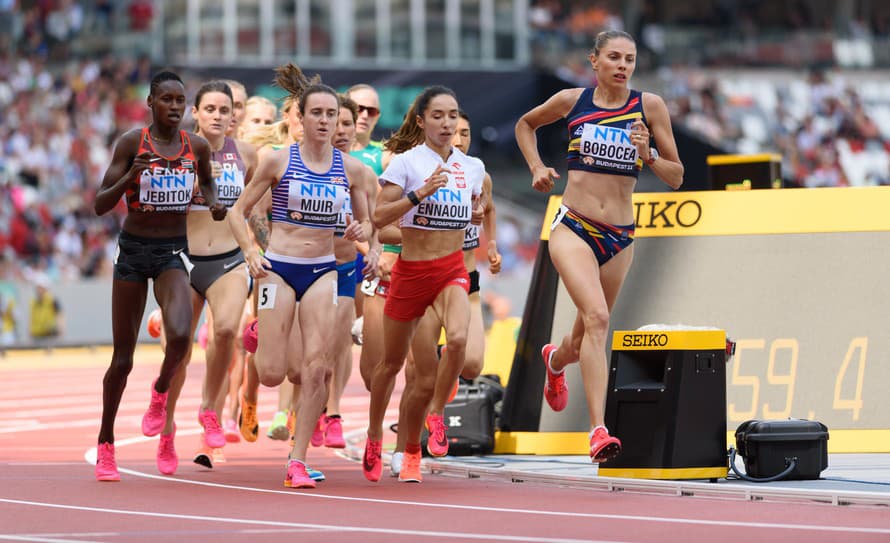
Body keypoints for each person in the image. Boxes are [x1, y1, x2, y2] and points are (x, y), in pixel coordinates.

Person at [514, 30, 684, 463]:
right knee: (598, 317)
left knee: (582, 337)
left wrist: (648, 154)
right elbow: (525, 124)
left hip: (620, 237)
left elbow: (676, 175)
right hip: (574, 226)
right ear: (594, 61)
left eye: (629, 59)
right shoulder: (573, 101)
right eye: (614, 57)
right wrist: (536, 166)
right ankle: (598, 430)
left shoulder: (650, 107)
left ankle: (556, 362)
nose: (623, 65)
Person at [228, 63, 370, 489]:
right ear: (300, 119)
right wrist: (252, 251)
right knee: (272, 372)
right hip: (278, 269)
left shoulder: (354, 170)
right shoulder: (276, 161)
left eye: (331, 115)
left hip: (324, 271)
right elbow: (237, 211)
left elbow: (368, 230)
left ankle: (297, 459)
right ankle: (258, 335)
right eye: (317, 114)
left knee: (316, 369)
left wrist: (365, 237)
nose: (325, 122)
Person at [93, 71, 224, 482]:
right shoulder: (133, 143)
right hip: (132, 253)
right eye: (166, 99)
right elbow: (100, 204)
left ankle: (161, 391)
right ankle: (106, 443)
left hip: (173, 252)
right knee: (123, 359)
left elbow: (208, 183)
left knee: (183, 337)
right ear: (150, 102)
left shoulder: (196, 146)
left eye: (180, 100)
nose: (174, 106)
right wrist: (131, 175)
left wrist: (216, 204)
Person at [363, 86, 484, 484]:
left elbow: (478, 210)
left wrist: (478, 217)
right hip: (412, 273)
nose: (447, 124)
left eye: (452, 115)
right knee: (393, 367)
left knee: (461, 343)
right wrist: (420, 194)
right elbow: (380, 217)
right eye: (438, 116)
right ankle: (376, 432)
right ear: (421, 121)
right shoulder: (405, 163)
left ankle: (429, 422)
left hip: (451, 270)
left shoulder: (474, 168)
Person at [390, 109, 500, 473]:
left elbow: (490, 208)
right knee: (414, 373)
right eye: (455, 132)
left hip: (464, 279)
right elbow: (390, 223)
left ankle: (439, 382)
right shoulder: (422, 172)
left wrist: (493, 244)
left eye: (465, 133)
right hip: (426, 277)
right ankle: (401, 448)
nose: (459, 139)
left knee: (472, 363)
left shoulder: (476, 172)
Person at [158, 80, 257, 475]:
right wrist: (196, 177)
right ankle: (166, 431)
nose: (219, 116)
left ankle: (209, 410)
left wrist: (258, 249)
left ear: (235, 115)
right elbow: (158, 207)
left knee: (228, 332)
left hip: (229, 260)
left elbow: (255, 210)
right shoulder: (175, 150)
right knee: (177, 353)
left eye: (225, 109)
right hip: (182, 260)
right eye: (210, 109)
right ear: (194, 113)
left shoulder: (247, 154)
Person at [309, 94, 380, 450]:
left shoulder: (363, 173)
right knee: (304, 355)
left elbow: (377, 222)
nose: (339, 130)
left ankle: (332, 413)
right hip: (304, 266)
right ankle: (310, 404)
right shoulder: (303, 162)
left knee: (338, 342)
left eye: (347, 124)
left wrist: (376, 250)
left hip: (344, 266)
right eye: (335, 122)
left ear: (355, 129)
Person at [28, 276, 63, 342]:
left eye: (41, 288)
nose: (39, 290)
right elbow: (32, 318)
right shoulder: (33, 302)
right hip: (36, 335)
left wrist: (60, 330)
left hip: (49, 334)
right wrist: (30, 331)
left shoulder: (52, 300)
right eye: (38, 288)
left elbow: (59, 315)